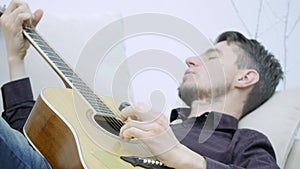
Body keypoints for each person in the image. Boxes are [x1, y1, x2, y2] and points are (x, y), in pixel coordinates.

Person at [0, 0, 283, 169]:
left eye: (211, 56)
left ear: (246, 77)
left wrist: (179, 156)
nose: (190, 60)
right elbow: (33, 137)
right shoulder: (135, 117)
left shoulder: (244, 142)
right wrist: (16, 57)